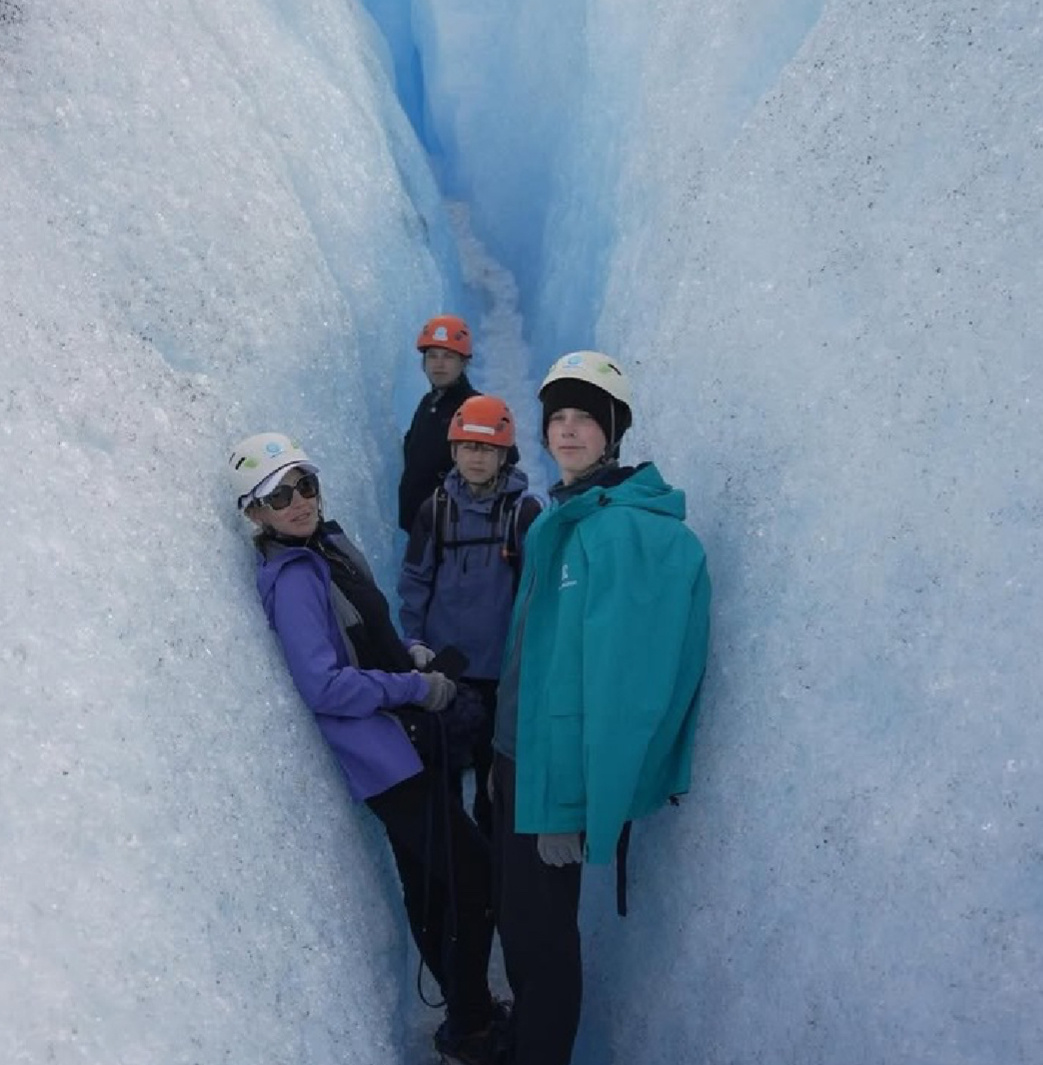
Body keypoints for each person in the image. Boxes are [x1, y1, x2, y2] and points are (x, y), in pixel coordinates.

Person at [228, 432, 506, 1065]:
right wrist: (415, 687)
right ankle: (471, 1025)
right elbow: (323, 684)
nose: (300, 501)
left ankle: (467, 1015)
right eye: (279, 495)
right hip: (386, 759)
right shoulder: (292, 579)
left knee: (432, 883)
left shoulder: (326, 549)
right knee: (473, 876)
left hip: (404, 739)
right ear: (256, 511)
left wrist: (410, 655)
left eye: (305, 484)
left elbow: (366, 633)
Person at [489, 352, 711, 1065]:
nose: (567, 430)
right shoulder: (564, 518)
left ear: (613, 431)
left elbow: (617, 691)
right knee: (520, 925)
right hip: (515, 758)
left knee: (544, 940)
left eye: (584, 418)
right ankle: (523, 1042)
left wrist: (574, 806)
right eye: (557, 416)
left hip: (549, 779)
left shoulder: (618, 533)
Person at [398, 395, 543, 837]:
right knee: (442, 780)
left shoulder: (525, 514)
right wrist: (413, 641)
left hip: (502, 675)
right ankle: (458, 866)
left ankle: (494, 868)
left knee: (494, 788)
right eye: (468, 447)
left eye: (487, 449)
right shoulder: (435, 511)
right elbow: (415, 580)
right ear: (454, 450)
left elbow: (537, 593)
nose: (476, 457)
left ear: (505, 454)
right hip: (447, 671)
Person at [398, 315, 480, 533]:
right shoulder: (427, 404)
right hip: (421, 531)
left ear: (463, 362)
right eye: (432, 356)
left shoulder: (475, 408)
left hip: (454, 535)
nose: (439, 364)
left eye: (448, 356)